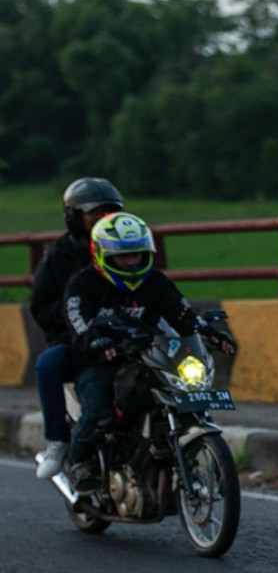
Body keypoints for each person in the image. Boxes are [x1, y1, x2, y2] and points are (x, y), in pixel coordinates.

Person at [63, 211, 235, 494]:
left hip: (147, 357)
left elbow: (182, 313)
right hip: (99, 362)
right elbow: (77, 320)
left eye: (137, 255)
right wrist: (94, 340)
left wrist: (210, 333)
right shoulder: (82, 283)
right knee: (99, 412)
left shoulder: (155, 281)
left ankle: (165, 451)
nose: (131, 262)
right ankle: (79, 462)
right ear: (102, 255)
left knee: (178, 396)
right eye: (123, 257)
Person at [30, 177, 124, 478]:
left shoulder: (123, 249)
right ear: (74, 216)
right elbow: (41, 308)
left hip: (122, 338)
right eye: (95, 212)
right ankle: (57, 441)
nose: (103, 218)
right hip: (74, 343)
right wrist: (80, 319)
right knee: (48, 364)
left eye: (110, 211)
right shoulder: (58, 258)